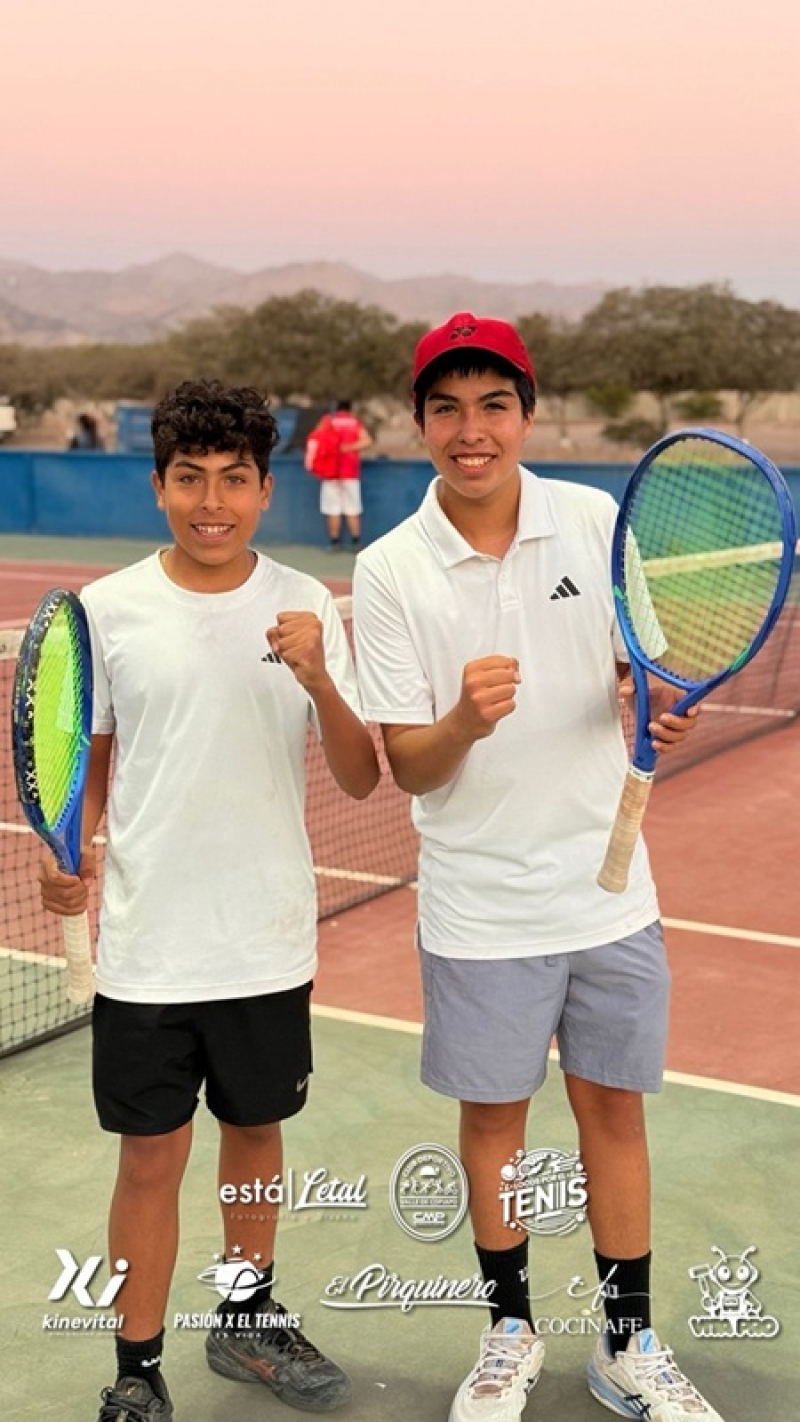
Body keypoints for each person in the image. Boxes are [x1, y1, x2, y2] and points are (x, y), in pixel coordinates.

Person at [352, 313, 724, 1422]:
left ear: (525, 412)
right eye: (448, 409)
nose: (472, 432)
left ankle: (626, 1344)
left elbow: (640, 668)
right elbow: (408, 769)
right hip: (477, 905)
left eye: (493, 406)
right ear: (418, 421)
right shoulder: (389, 569)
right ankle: (508, 1334)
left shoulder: (592, 518)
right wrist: (461, 719)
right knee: (495, 1127)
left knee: (613, 1115)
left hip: (609, 889)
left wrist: (658, 700)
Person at [40, 379, 380, 1422]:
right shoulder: (106, 612)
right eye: (189, 478)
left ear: (266, 487)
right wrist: (72, 847)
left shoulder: (305, 603)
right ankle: (137, 1371)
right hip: (149, 943)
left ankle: (245, 1321)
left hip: (266, 938)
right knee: (149, 1158)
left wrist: (321, 678)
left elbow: (362, 779)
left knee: (255, 1138)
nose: (212, 501)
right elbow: (86, 760)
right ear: (158, 487)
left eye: (234, 479)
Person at [319, 400, 372, 551]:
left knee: (332, 509)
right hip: (350, 473)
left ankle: (335, 542)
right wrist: (349, 447)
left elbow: (318, 439)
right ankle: (356, 541)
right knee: (352, 507)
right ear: (350, 409)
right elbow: (367, 440)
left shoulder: (329, 422)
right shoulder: (355, 422)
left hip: (330, 473)